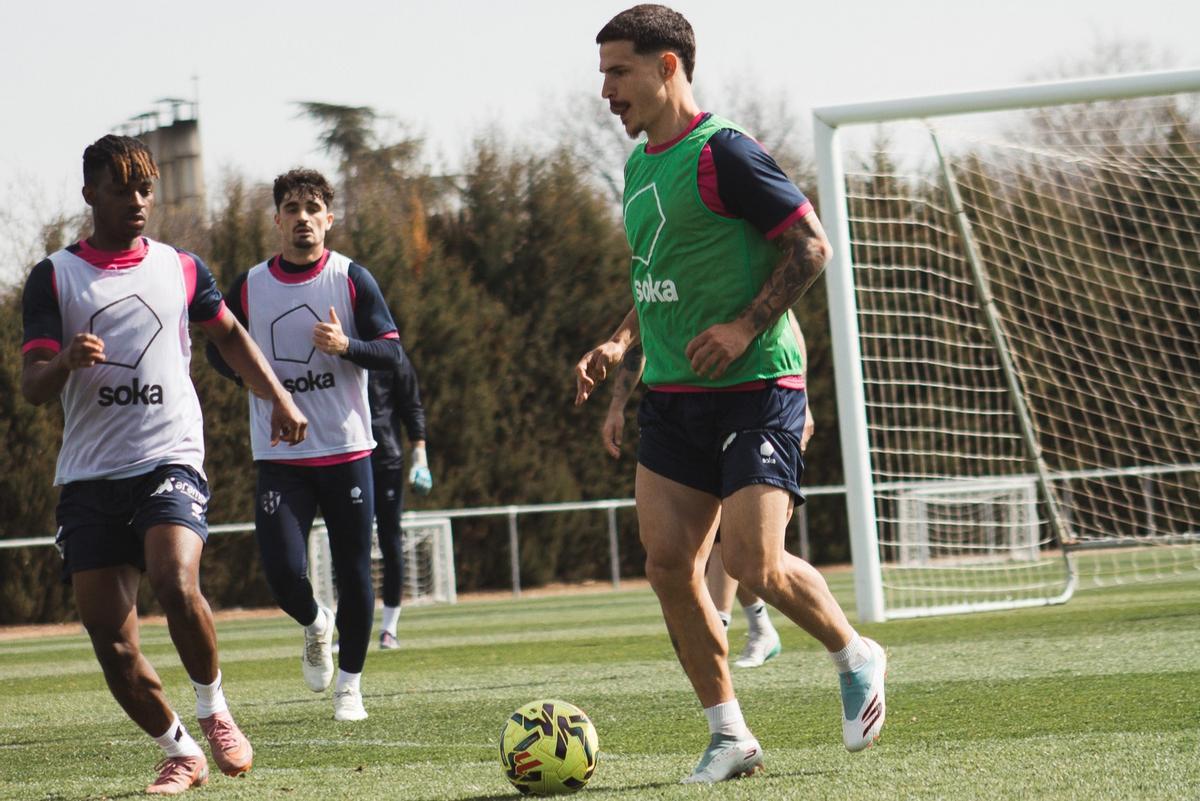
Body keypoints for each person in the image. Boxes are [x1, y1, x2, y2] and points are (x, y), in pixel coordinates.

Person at [575, 5, 887, 783]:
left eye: (618, 71)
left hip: (757, 385)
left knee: (752, 562)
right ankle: (729, 734)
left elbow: (811, 246)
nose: (606, 90)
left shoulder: (727, 153)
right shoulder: (639, 166)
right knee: (668, 565)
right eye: (603, 74)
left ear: (667, 67)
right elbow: (657, 277)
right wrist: (620, 345)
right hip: (673, 394)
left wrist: (746, 326)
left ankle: (854, 654)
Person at [20, 134, 308, 794]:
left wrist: (280, 398)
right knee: (112, 640)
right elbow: (32, 384)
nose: (138, 200)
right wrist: (65, 361)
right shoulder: (54, 277)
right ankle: (180, 750)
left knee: (174, 579)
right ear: (90, 194)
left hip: (168, 456)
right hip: (90, 476)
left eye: (145, 188)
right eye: (122, 189)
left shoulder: (181, 267)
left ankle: (214, 709)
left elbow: (230, 336)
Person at [207, 168, 405, 722]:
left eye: (313, 208)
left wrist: (347, 346)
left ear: (329, 219)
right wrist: (252, 382)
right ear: (277, 220)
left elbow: (393, 354)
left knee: (355, 572)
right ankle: (317, 623)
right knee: (281, 572)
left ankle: (350, 686)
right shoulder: (251, 285)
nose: (303, 218)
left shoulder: (352, 278)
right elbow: (217, 349)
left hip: (346, 451)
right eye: (292, 209)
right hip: (281, 456)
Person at [601, 312, 815, 670]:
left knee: (746, 550)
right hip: (682, 413)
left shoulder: (738, 282)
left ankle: (730, 625)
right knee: (708, 548)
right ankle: (756, 627)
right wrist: (617, 405)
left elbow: (786, 322)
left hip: (755, 404)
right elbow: (643, 332)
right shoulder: (661, 287)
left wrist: (803, 399)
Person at [368, 350, 433, 650]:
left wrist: (420, 458)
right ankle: (351, 628)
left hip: (386, 460)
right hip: (347, 460)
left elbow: (412, 406)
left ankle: (389, 628)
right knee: (350, 547)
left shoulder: (392, 356)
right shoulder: (337, 353)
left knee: (390, 542)